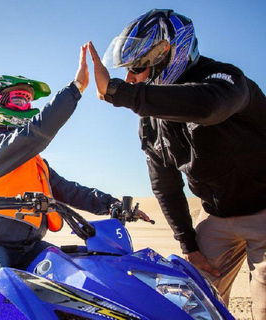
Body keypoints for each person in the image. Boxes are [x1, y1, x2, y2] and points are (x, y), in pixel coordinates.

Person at [87, 8, 266, 319]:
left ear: (167, 54)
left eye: (137, 66)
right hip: (215, 217)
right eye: (127, 70)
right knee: (189, 304)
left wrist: (118, 91)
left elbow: (209, 105)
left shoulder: (225, 79)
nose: (130, 78)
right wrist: (188, 243)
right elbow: (165, 185)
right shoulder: (150, 120)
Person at [0, 45, 148, 318]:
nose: (27, 107)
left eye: (28, 102)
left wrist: (112, 205)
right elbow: (38, 131)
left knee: (77, 280)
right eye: (19, 101)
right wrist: (76, 88)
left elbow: (70, 191)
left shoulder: (36, 163)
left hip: (31, 246)